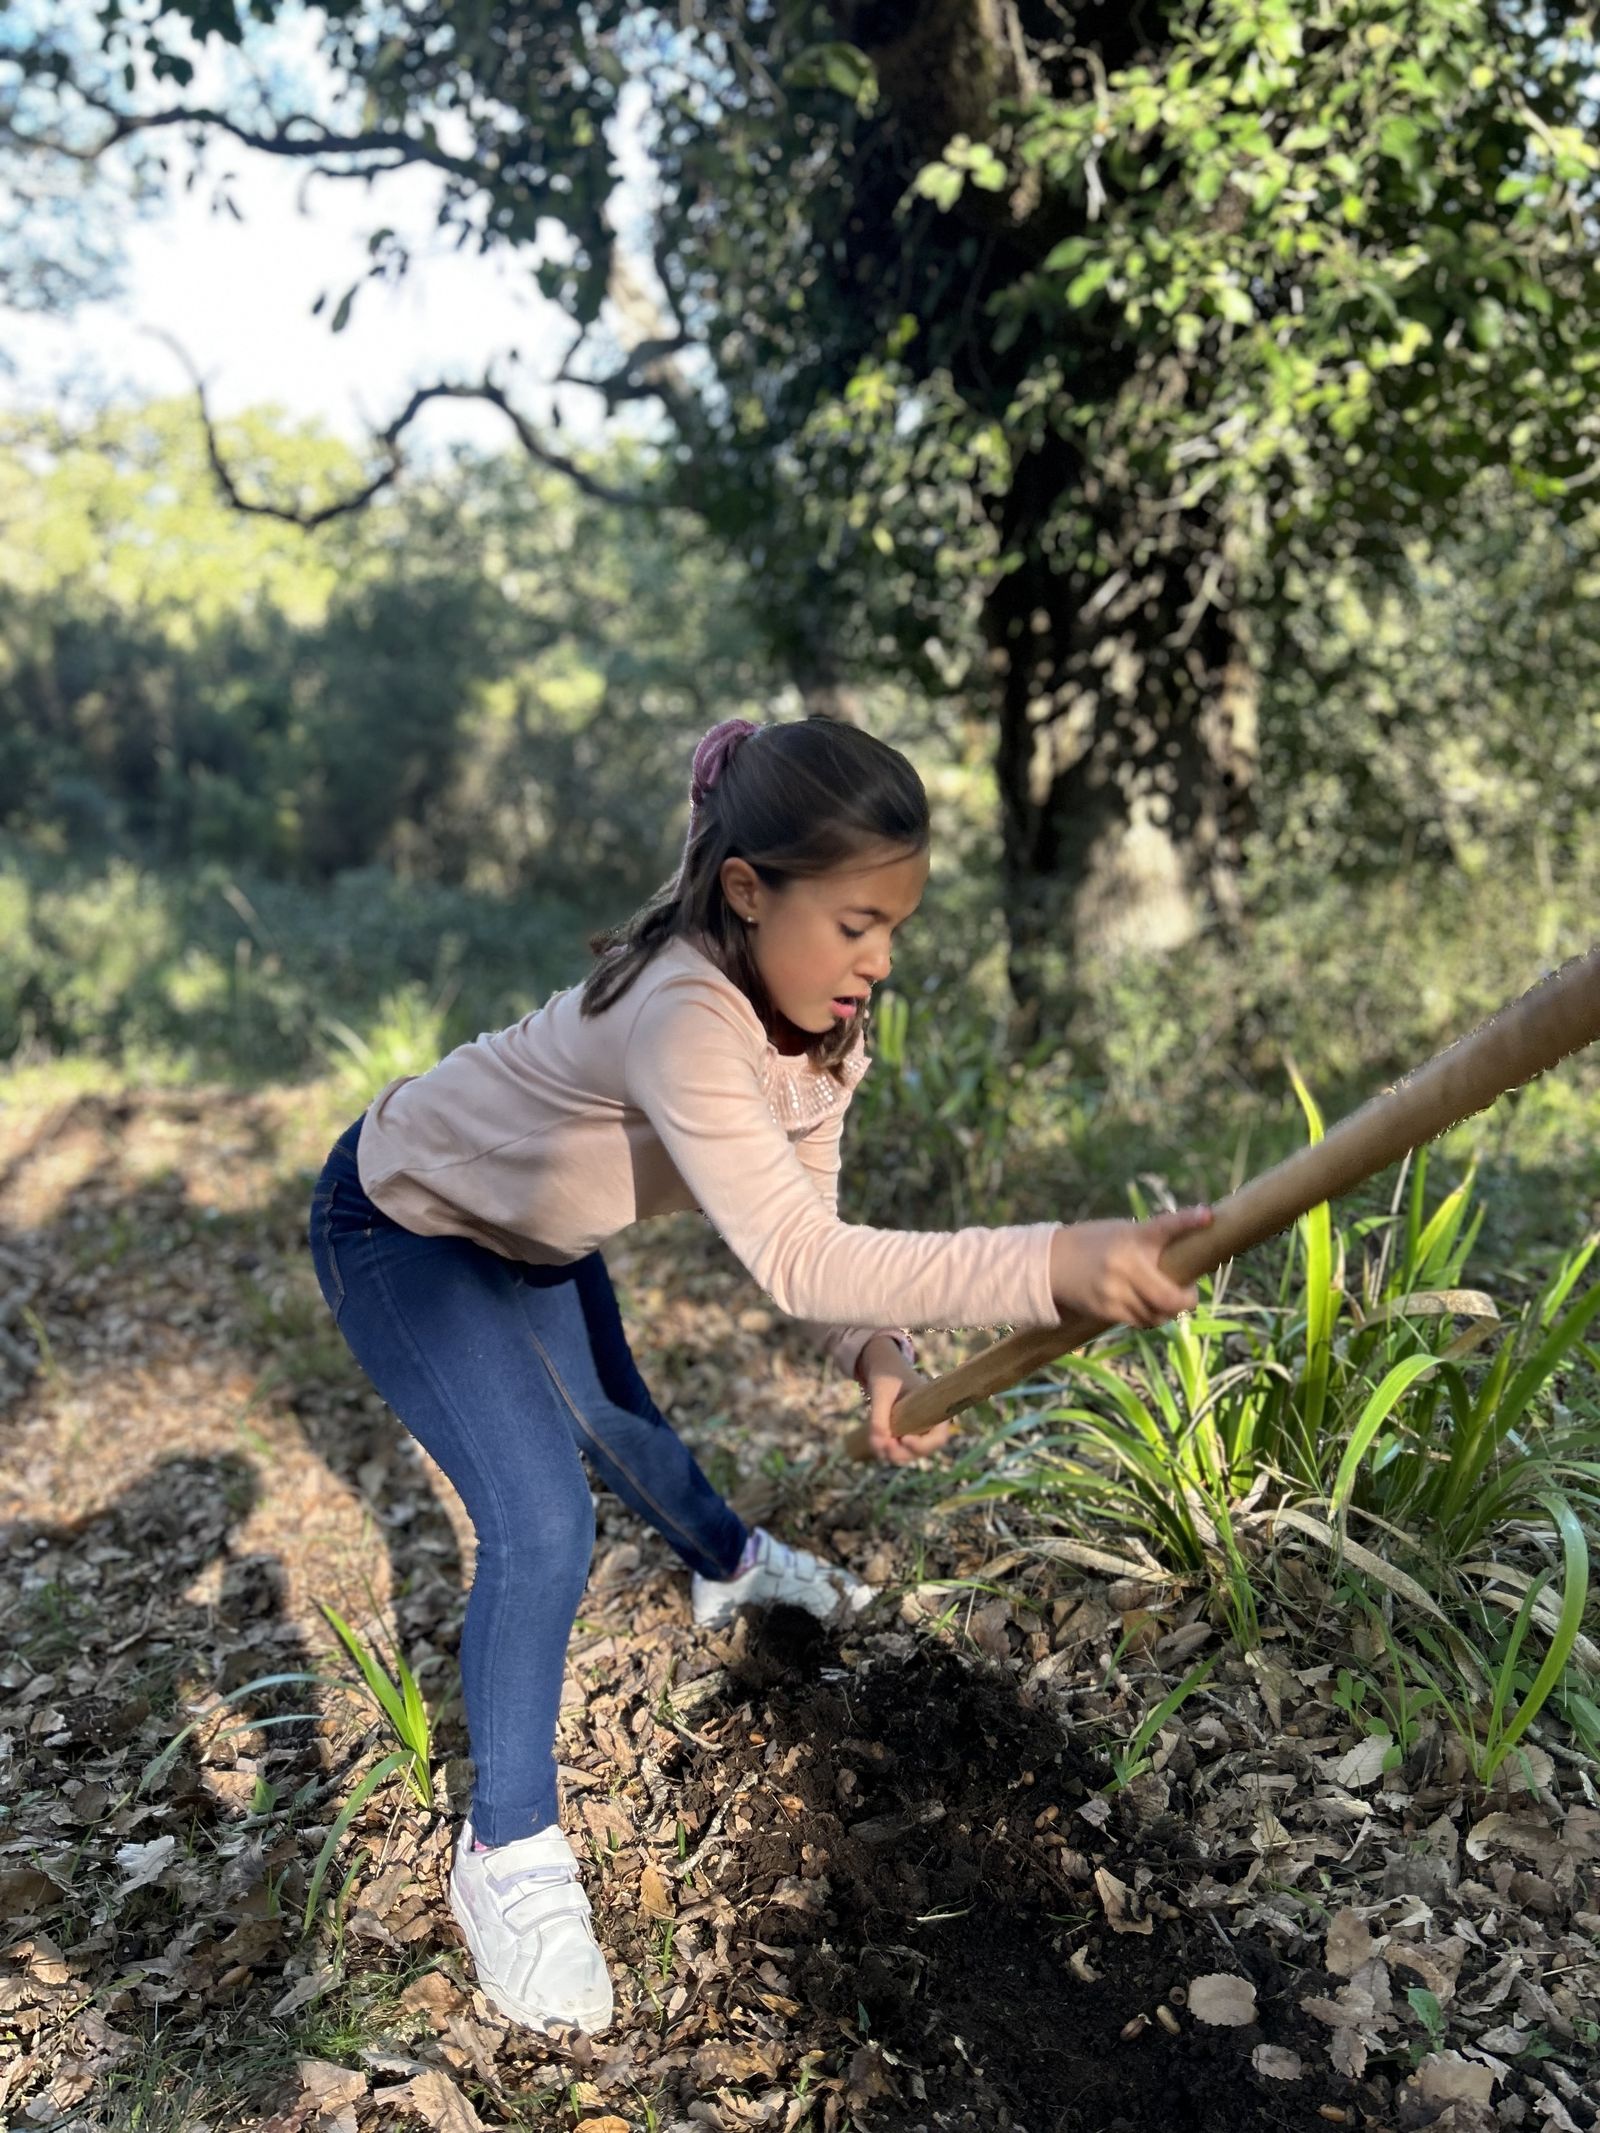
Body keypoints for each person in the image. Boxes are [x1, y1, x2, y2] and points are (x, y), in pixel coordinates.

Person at [305, 713, 1210, 2039]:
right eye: (854, 924)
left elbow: (816, 1213)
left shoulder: (827, 1027)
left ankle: (731, 1560)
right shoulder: (681, 1008)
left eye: (893, 926)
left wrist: (878, 1354)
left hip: (538, 1233)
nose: (879, 960)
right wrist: (1056, 1261)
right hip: (403, 1222)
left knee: (625, 1423)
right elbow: (795, 1257)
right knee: (543, 1522)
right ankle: (508, 1853)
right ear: (747, 889)